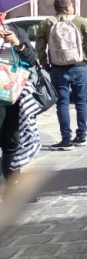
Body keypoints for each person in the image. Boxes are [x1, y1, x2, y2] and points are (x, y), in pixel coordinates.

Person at [35, 0, 87, 150]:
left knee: (62, 103)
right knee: (81, 102)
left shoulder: (47, 23)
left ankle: (66, 140)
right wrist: (86, 59)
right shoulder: (79, 21)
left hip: (57, 68)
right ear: (68, 8)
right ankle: (81, 136)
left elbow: (40, 46)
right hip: (79, 66)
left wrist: (45, 64)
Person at [0, 13, 39, 194]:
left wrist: (18, 43)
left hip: (12, 96)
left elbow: (31, 60)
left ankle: (11, 188)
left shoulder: (16, 31)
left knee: (13, 141)